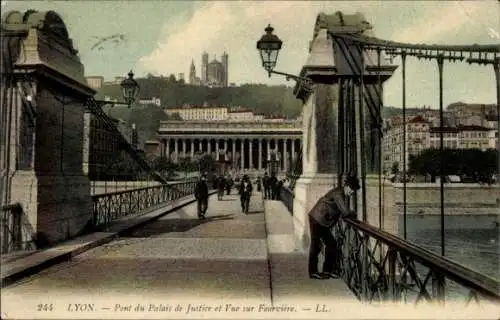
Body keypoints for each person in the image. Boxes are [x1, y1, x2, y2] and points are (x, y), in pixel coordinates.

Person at [307, 175, 360, 279]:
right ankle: (313, 272)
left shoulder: (340, 193)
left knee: (331, 244)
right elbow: (345, 212)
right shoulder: (338, 194)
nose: (352, 193)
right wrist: (353, 213)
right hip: (317, 219)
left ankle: (328, 271)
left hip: (322, 220)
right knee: (316, 246)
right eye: (352, 190)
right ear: (347, 186)